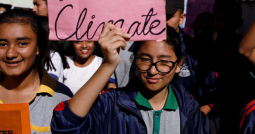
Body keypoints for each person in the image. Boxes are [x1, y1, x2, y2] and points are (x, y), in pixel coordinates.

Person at [51, 24, 209, 134]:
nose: (153, 70)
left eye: (164, 62)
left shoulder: (189, 109)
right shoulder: (113, 104)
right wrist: (108, 64)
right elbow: (67, 124)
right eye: (145, 59)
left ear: (179, 64)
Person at [0, 9, 73, 134]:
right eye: (2, 44)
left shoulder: (60, 98)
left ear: (38, 47)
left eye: (22, 44)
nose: (10, 53)